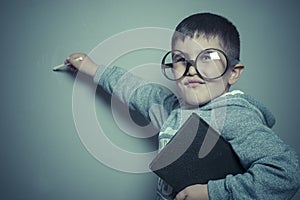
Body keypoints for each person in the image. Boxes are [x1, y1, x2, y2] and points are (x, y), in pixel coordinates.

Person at [63, 13, 300, 200]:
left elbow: (286, 173)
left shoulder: (234, 114)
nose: (192, 69)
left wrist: (212, 193)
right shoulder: (168, 109)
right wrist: (92, 68)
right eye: (181, 59)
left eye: (208, 57)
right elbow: (134, 89)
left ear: (233, 73)